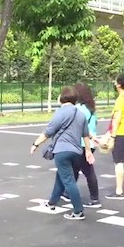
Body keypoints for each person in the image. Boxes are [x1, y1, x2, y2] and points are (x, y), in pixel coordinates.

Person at [30, 86, 95, 220]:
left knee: (69, 181)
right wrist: (88, 151)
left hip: (62, 151)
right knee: (61, 176)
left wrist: (35, 144)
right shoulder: (81, 114)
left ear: (62, 98)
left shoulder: (61, 112)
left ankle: (78, 211)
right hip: (77, 151)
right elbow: (86, 135)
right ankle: (52, 202)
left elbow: (48, 131)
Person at [61, 82, 100, 208]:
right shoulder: (91, 109)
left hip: (82, 143)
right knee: (75, 169)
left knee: (87, 171)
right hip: (90, 144)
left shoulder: (79, 109)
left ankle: (95, 199)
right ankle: (67, 193)